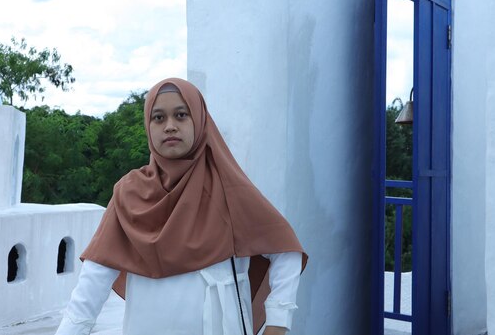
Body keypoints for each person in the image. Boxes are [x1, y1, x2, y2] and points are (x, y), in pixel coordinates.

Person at [55, 78, 308, 335]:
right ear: (148, 125)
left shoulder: (228, 187)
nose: (170, 126)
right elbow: (95, 276)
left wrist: (278, 321)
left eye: (181, 115)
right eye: (158, 118)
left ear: (199, 121)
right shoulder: (129, 193)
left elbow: (285, 248)